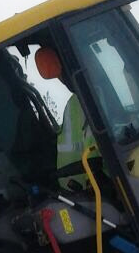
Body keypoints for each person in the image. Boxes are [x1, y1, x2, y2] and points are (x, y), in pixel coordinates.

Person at [34, 45, 100, 192]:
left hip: (80, 188)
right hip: (89, 189)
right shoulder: (82, 101)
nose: (59, 78)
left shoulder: (79, 102)